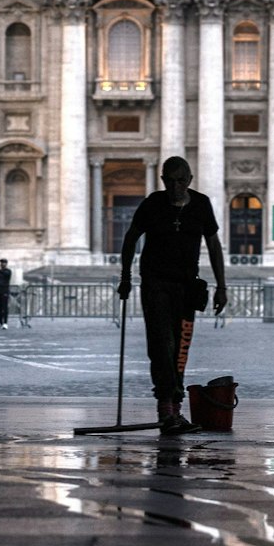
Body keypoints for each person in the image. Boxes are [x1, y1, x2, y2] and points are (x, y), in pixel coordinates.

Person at [116, 157, 228, 434]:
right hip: (155, 284)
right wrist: (125, 277)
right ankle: (165, 405)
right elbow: (130, 239)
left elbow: (214, 245)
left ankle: (175, 407)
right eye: (169, 181)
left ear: (190, 180)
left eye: (180, 181)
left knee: (180, 347)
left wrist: (222, 286)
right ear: (163, 180)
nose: (175, 186)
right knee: (161, 343)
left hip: (187, 286)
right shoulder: (152, 203)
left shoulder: (201, 204)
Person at [0, 259, 13, 329]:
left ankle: (5, 323)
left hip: (5, 291)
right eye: (1, 263)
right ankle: (0, 322)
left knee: (5, 307)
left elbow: (6, 274)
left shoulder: (8, 271)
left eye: (3, 263)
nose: (2, 264)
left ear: (6, 264)